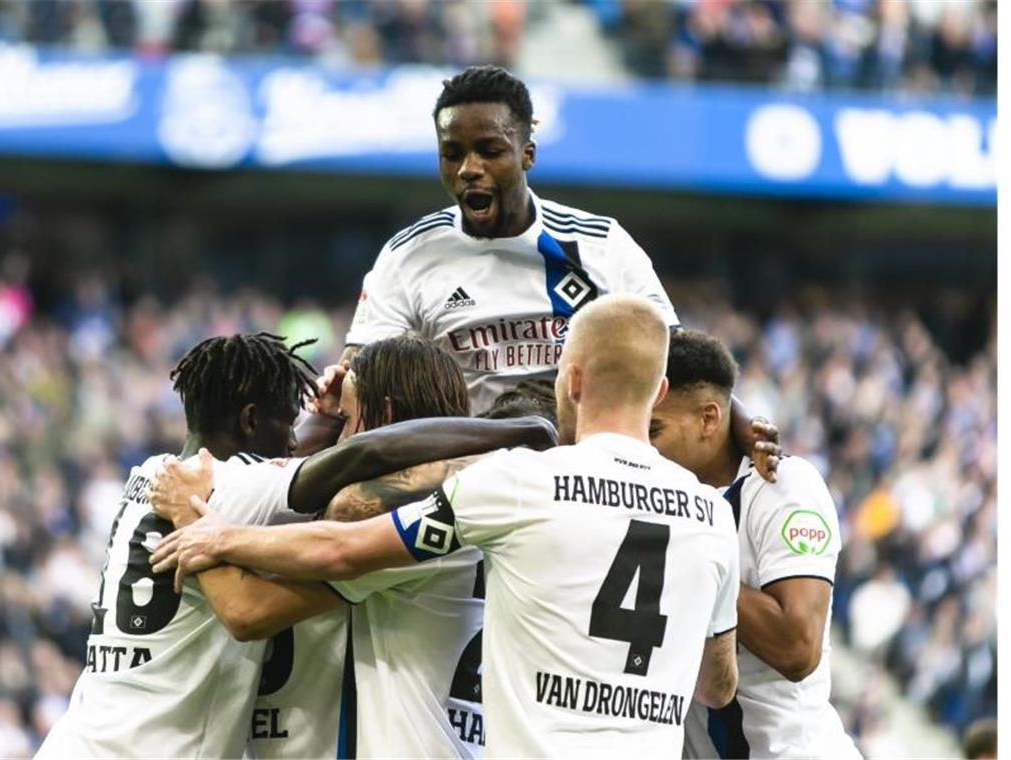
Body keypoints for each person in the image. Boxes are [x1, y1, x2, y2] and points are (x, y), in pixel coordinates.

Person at [150, 295, 741, 757]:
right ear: (659, 389)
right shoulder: (714, 516)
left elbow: (338, 545)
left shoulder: (517, 487)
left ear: (575, 379)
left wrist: (214, 531)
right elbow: (717, 686)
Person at [36, 332, 555, 759]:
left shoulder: (163, 477)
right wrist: (517, 433)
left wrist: (206, 529)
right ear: (250, 422)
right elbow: (348, 459)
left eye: (341, 420)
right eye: (293, 422)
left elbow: (249, 604)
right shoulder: (242, 489)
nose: (308, 435)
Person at [330, 64, 780, 486]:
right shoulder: (408, 254)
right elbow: (359, 377)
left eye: (489, 151)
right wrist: (339, 386)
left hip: (584, 473)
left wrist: (740, 420)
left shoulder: (601, 244)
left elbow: (674, 356)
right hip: (463, 472)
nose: (469, 169)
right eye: (452, 154)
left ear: (527, 154)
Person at [646, 329, 860, 760]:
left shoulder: (782, 486)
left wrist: (699, 559)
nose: (644, 446)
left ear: (709, 419)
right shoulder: (658, 498)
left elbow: (799, 648)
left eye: (655, 429)